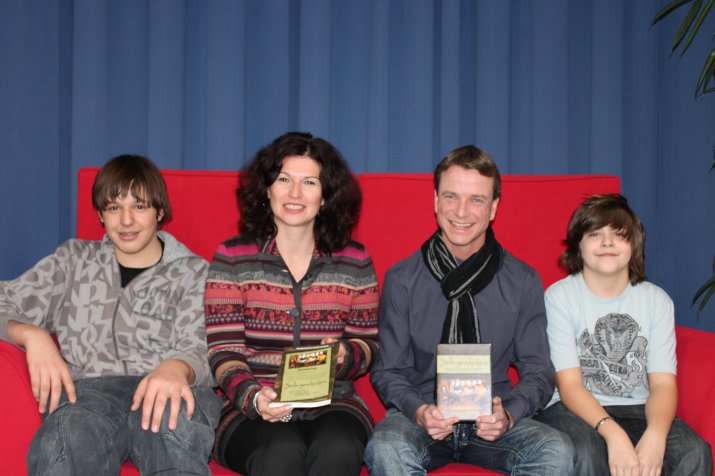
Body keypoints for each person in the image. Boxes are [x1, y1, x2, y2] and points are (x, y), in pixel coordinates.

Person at [0, 154, 222, 475]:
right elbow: (5, 298)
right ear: (101, 215)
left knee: (172, 429)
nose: (126, 220)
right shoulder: (73, 261)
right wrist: (31, 335)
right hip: (90, 395)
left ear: (160, 211)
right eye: (114, 208)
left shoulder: (194, 272)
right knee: (67, 436)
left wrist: (179, 368)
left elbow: (208, 344)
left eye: (139, 206)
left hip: (170, 389)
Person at [364, 145, 573, 475]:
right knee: (386, 447)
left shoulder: (522, 281)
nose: (461, 212)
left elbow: (538, 370)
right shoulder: (403, 279)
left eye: (476, 199)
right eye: (451, 196)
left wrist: (508, 415)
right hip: (421, 418)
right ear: (436, 201)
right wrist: (419, 412)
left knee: (556, 450)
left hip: (492, 420)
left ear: (493, 207)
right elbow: (388, 371)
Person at [205, 132, 379, 476]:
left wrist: (346, 354)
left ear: (326, 196)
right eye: (284, 179)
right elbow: (223, 352)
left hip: (334, 402)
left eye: (309, 182)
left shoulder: (355, 260)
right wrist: (254, 397)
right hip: (251, 405)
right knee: (281, 450)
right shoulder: (233, 257)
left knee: (339, 448)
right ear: (267, 189)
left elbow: (368, 345)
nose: (295, 193)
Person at [534, 194, 713, 475]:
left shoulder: (657, 301)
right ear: (578, 245)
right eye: (595, 234)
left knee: (694, 451)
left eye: (618, 234)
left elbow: (663, 385)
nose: (607, 242)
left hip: (638, 408)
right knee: (586, 451)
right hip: (571, 408)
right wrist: (613, 434)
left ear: (634, 244)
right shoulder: (560, 297)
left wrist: (655, 435)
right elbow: (569, 385)